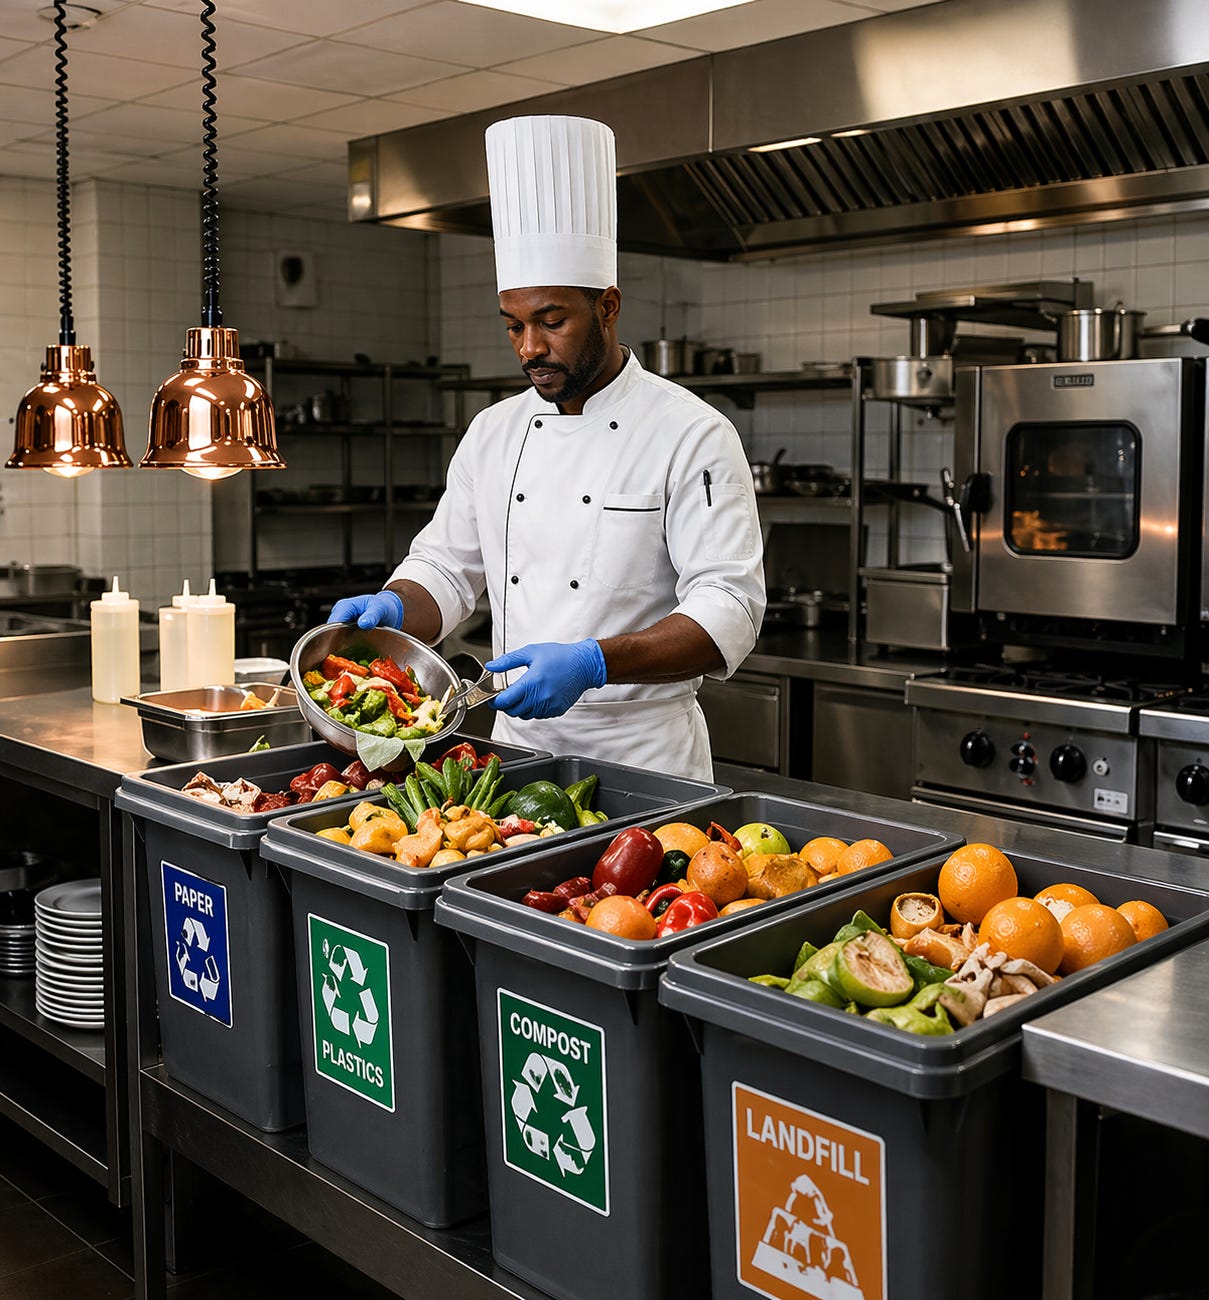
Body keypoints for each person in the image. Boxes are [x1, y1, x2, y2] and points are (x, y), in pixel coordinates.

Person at [329, 115, 765, 780]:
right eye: (512, 326)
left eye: (551, 321)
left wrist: (595, 662)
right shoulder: (494, 431)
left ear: (608, 307)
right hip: (517, 751)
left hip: (643, 757)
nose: (529, 347)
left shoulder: (691, 432)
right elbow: (447, 571)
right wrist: (391, 610)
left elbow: (728, 609)